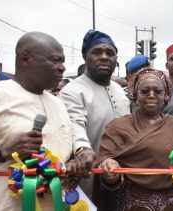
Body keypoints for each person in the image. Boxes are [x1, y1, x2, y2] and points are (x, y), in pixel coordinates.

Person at [0, 32, 73, 210]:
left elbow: (63, 151)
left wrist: (73, 163)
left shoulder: (59, 104)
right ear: (25, 59)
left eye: (62, 61)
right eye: (55, 60)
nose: (62, 68)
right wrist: (5, 150)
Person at [94, 68, 173, 211]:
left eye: (157, 91)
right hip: (132, 204)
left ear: (166, 96)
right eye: (144, 91)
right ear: (135, 96)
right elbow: (105, 161)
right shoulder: (117, 127)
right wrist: (110, 170)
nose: (151, 95)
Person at [59, 29, 130, 198]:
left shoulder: (120, 90)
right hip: (88, 175)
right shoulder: (73, 91)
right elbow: (75, 126)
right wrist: (83, 150)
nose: (104, 57)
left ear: (116, 60)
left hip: (122, 175)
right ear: (85, 57)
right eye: (97, 52)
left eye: (110, 53)